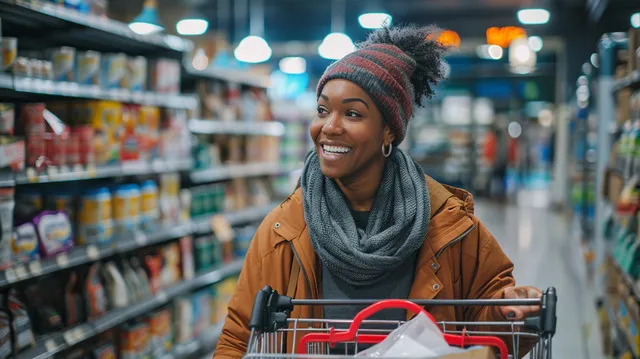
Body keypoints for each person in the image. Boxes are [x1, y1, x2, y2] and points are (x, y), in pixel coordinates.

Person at [214, 25, 543, 359]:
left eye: (353, 113)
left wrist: (509, 312)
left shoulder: (447, 223)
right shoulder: (286, 228)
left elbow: (484, 321)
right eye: (323, 110)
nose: (329, 127)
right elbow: (240, 337)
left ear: (389, 130)